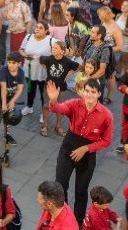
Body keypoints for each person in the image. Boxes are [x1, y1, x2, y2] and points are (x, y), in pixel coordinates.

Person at [44, 79, 114, 222]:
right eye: (86, 91)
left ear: (99, 94)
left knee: (81, 190)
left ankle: (78, 220)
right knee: (60, 185)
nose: (89, 94)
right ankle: (63, 217)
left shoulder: (106, 115)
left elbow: (106, 141)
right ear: (83, 91)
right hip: (69, 146)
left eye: (93, 92)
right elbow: (60, 109)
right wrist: (53, 101)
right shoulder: (75, 104)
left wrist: (86, 148)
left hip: (87, 154)